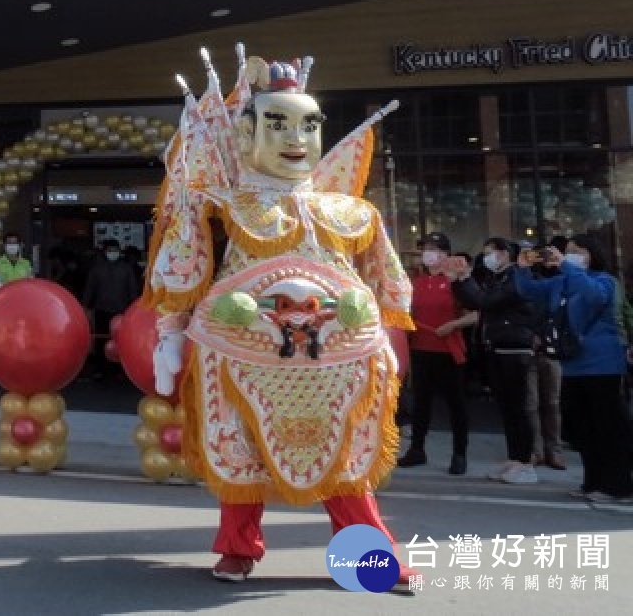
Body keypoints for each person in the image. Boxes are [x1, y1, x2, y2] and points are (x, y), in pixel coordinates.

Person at [148, 48, 417, 587]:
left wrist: (383, 335)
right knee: (239, 456)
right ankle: (237, 548)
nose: (297, 138)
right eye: (279, 124)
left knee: (344, 458)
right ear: (245, 136)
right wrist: (169, 335)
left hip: (337, 357)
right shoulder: (222, 201)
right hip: (238, 350)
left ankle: (367, 557)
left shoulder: (350, 210)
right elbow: (184, 264)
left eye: (309, 125)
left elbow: (383, 278)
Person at [515, 236, 631, 501]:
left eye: (577, 252)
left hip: (603, 364)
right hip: (574, 363)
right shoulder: (562, 281)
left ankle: (619, 485)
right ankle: (593, 482)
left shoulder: (604, 281)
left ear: (592, 254)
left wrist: (568, 266)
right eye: (567, 252)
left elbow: (594, 296)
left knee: (608, 426)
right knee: (584, 427)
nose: (569, 256)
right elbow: (529, 291)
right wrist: (522, 268)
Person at [449, 237, 540, 485]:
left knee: (520, 408)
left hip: (516, 348)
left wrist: (466, 279)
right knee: (508, 408)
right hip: (497, 347)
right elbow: (474, 302)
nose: (487, 258)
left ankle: (526, 462)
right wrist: (459, 281)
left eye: (491, 253)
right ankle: (514, 458)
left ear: (504, 254)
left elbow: (486, 301)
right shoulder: (496, 278)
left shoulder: (516, 277)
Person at [396, 232, 476, 475]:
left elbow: (476, 312)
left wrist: (451, 326)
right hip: (421, 348)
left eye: (434, 249)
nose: (428, 253)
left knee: (455, 404)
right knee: (421, 403)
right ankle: (417, 449)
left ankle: (459, 453)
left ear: (445, 254)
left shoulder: (456, 282)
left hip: (448, 350)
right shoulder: (417, 282)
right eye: (426, 249)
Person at [522, 236, 567, 470]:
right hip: (530, 345)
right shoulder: (528, 279)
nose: (545, 260)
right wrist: (522, 267)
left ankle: (554, 449)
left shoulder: (563, 279)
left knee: (552, 402)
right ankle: (536, 449)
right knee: (531, 403)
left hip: (553, 347)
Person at [83, 238, 140, 377]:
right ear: (105, 252)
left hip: (122, 311)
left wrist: (135, 309)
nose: (112, 253)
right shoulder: (97, 269)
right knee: (101, 341)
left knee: (122, 341)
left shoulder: (127, 269)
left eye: (115, 250)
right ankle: (100, 370)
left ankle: (120, 370)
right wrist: (85, 306)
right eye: (110, 250)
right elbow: (90, 289)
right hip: (101, 309)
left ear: (119, 252)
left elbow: (133, 290)